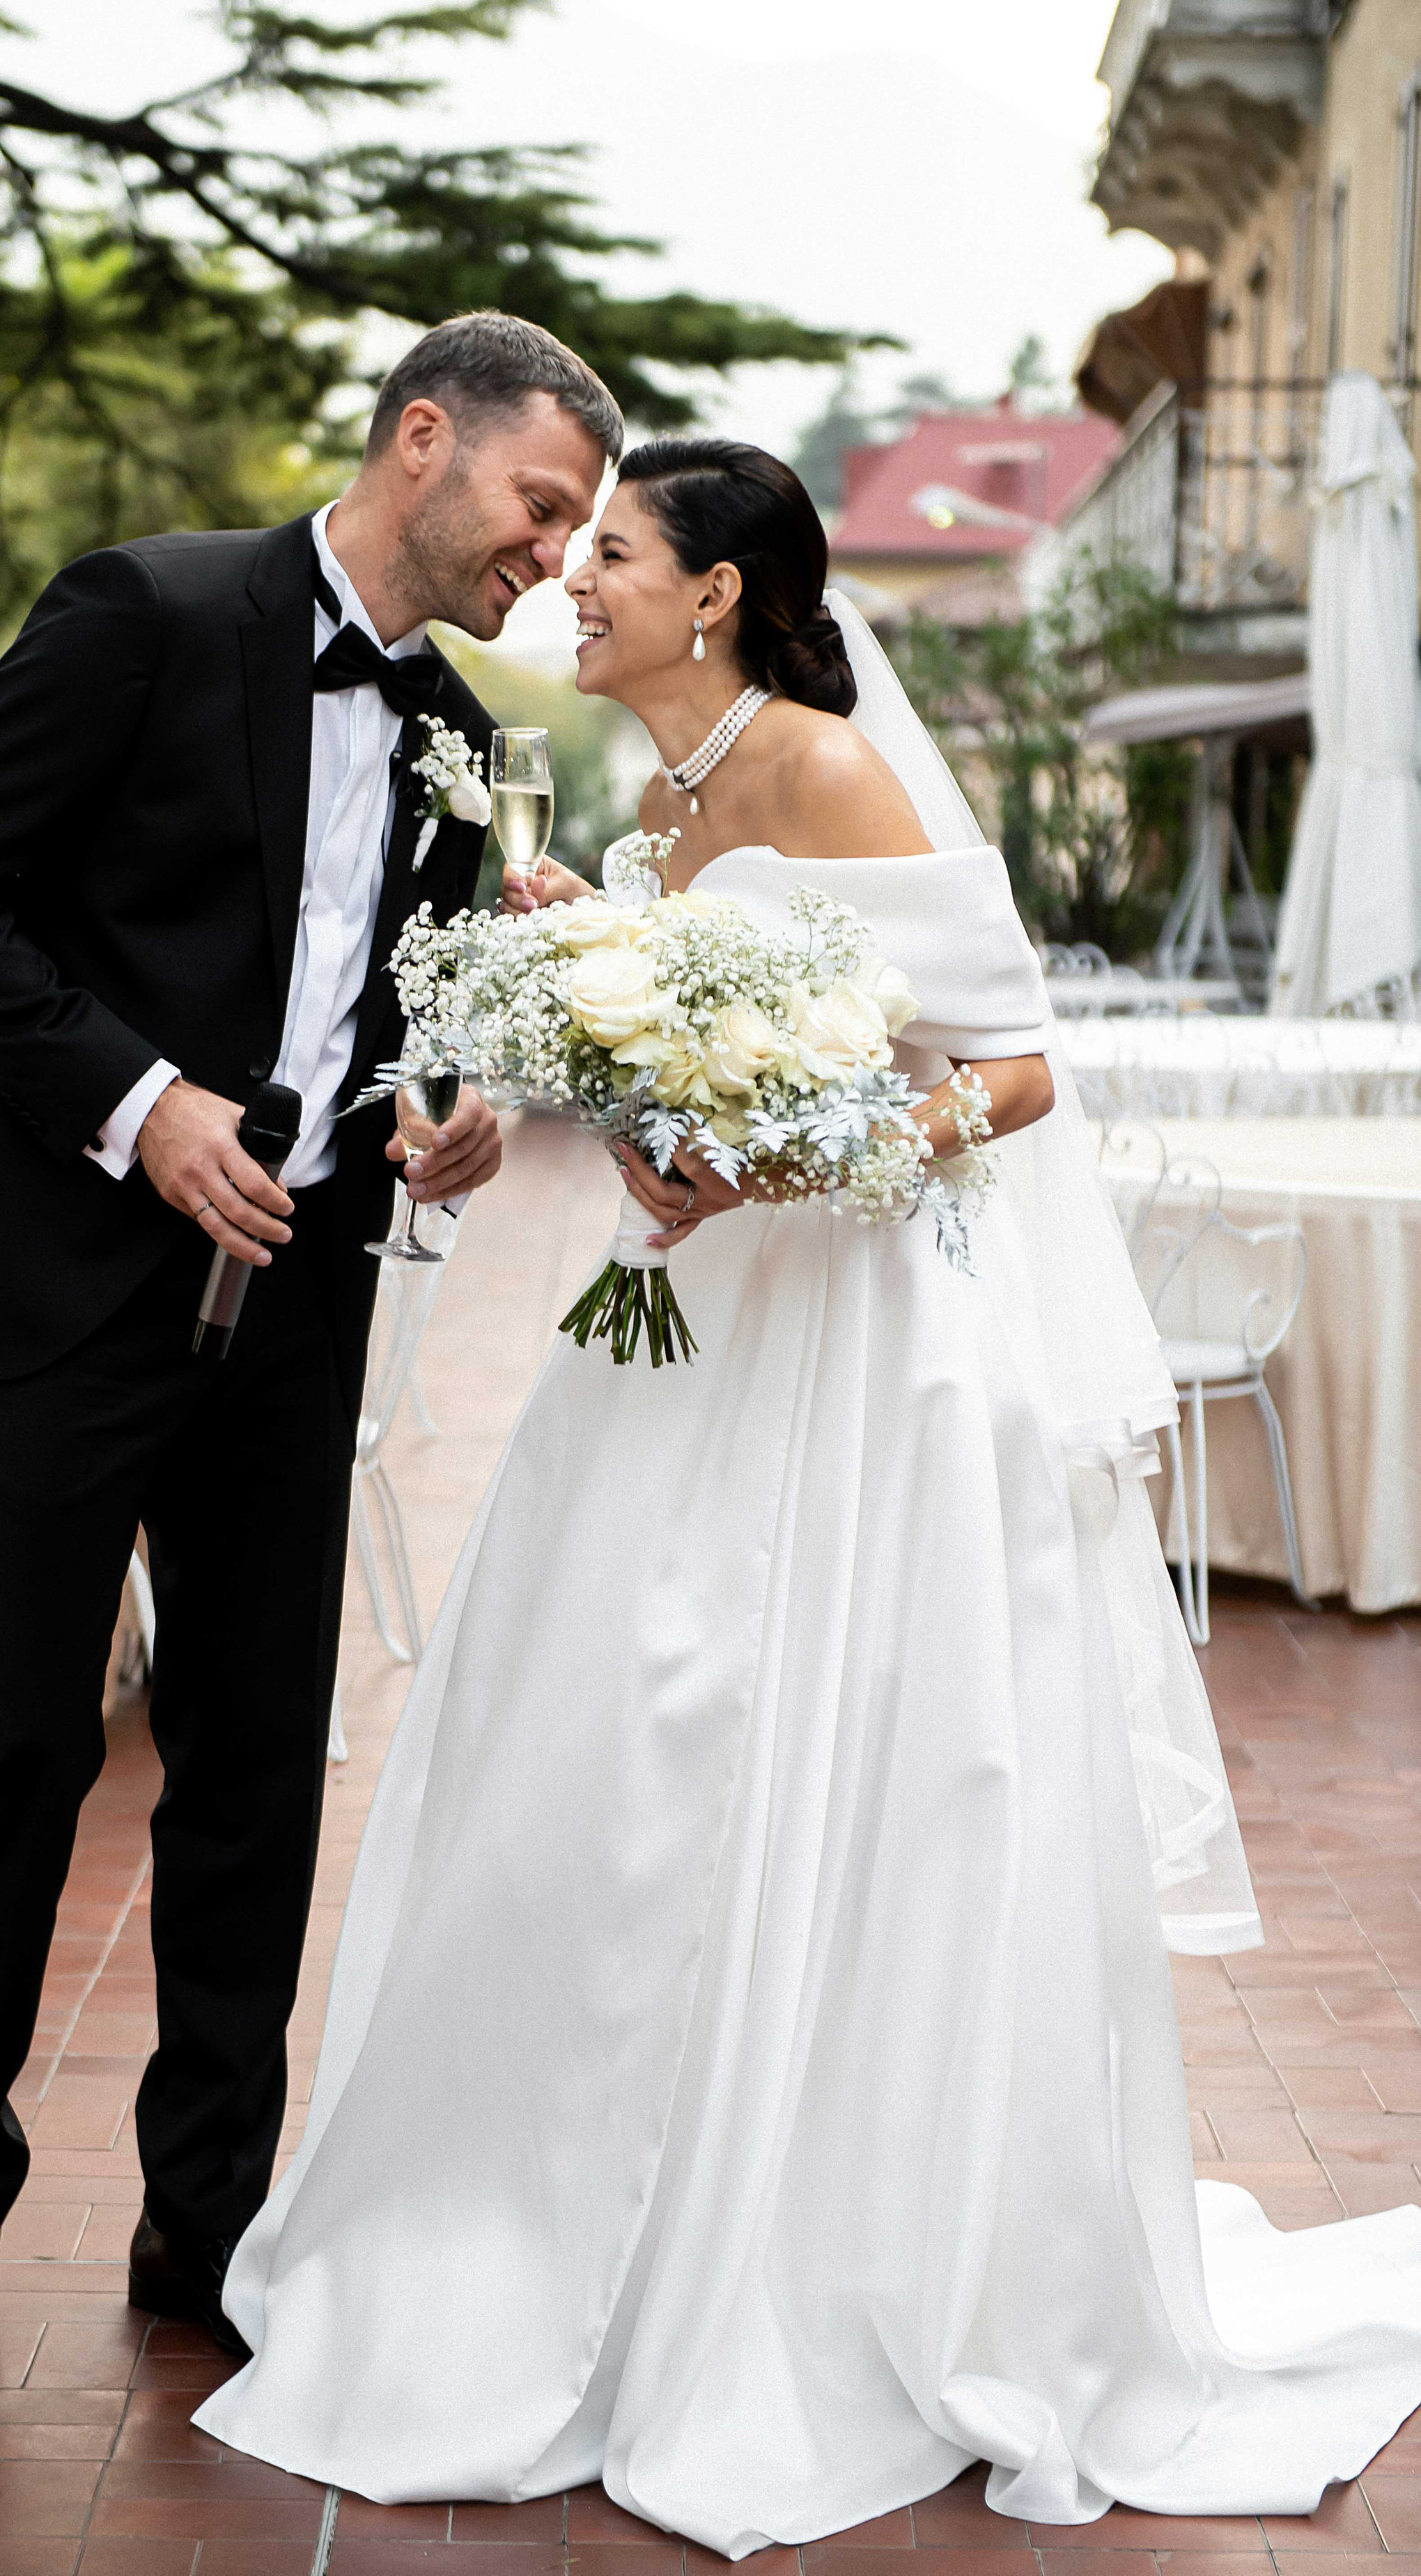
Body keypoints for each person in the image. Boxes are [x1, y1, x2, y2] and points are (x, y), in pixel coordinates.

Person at [195, 439, 1421, 2550]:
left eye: (613, 556)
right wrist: (593, 1038)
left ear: (724, 593)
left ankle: (809, 2249)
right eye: (574, 551)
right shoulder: (655, 799)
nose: (574, 583)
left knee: (827, 1761)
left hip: (855, 1357)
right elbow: (682, 1040)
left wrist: (784, 1153)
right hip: (679, 1331)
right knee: (608, 1752)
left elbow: (1018, 1062)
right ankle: (571, 2203)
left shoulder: (832, 771)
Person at [0, 313, 620, 2407]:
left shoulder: (463, 729)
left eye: (576, 528)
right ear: (423, 441)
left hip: (300, 1299)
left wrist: (443, 1114)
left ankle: (208, 2223)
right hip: (59, 1286)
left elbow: (402, 1016)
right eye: (540, 507)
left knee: (259, 1765)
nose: (553, 554)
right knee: (18, 1752)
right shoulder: (150, 611)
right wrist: (141, 1103)